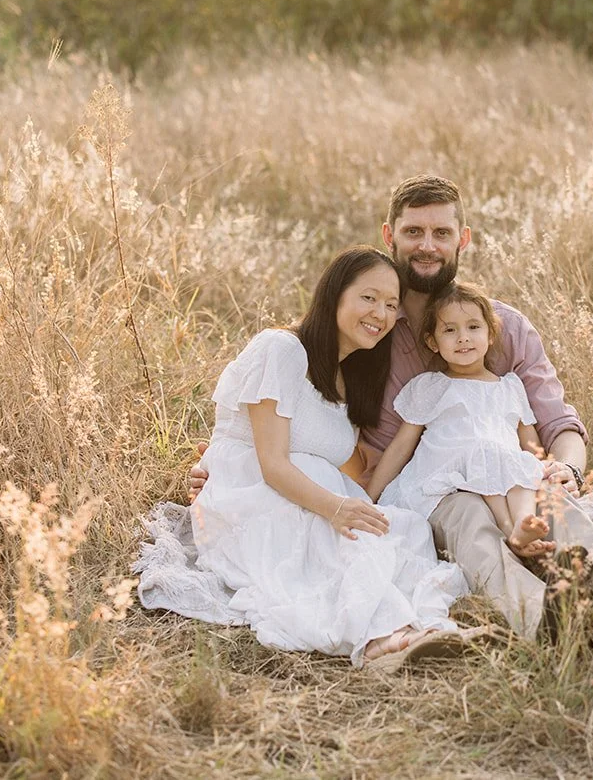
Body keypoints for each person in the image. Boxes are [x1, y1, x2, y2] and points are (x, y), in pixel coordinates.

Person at [188, 176, 593, 641]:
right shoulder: (369, 332)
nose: (427, 245)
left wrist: (565, 468)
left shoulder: (501, 327)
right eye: (413, 231)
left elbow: (556, 422)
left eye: (441, 232)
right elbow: (303, 402)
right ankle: (542, 614)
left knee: (552, 501)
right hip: (433, 489)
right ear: (389, 236)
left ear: (462, 239)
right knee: (469, 522)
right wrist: (234, 466)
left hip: (508, 472)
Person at [134, 246, 477, 669]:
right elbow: (272, 461)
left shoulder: (349, 380)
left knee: (401, 530)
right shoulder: (282, 349)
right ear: (335, 295)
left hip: (302, 493)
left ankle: (415, 623)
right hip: (254, 495)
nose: (381, 314)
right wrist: (336, 508)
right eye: (368, 298)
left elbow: (346, 470)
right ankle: (382, 639)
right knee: (339, 537)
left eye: (391, 305)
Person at [366, 282, 552, 559]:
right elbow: (402, 445)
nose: (463, 338)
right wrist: (370, 496)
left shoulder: (510, 386)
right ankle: (508, 528)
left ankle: (524, 524)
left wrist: (544, 469)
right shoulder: (430, 385)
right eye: (450, 330)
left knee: (523, 467)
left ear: (491, 334)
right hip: (446, 469)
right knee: (484, 450)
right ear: (433, 342)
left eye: (473, 327)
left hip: (502, 467)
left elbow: (531, 445)